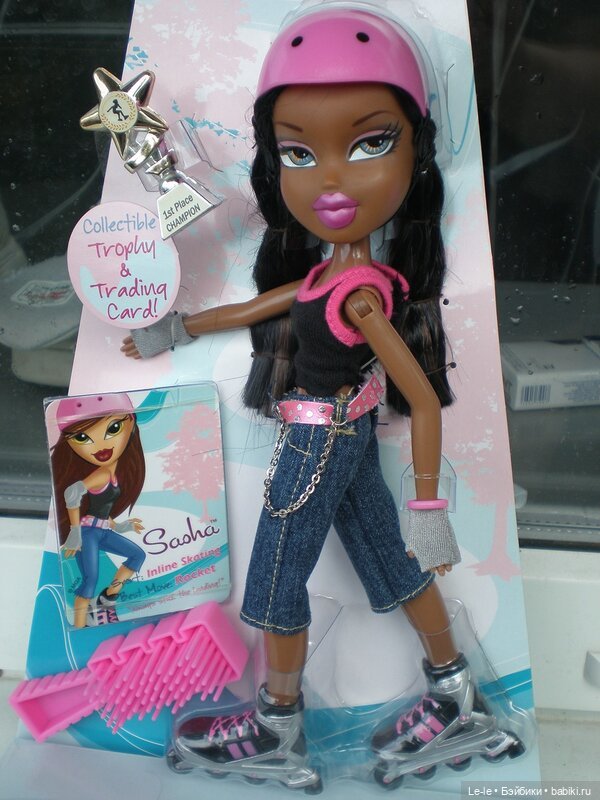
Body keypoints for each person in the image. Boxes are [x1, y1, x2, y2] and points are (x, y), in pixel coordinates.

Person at [123, 5, 522, 790]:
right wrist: (177, 327)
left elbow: (422, 399)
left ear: (416, 154)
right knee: (390, 566)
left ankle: (277, 726)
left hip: (317, 444)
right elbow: (256, 308)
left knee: (276, 582)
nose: (331, 180)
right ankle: (455, 692)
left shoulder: (364, 295)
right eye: (299, 153)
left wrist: (429, 507)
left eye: (371, 144)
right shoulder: (327, 277)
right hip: (343, 439)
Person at [52, 394, 146, 628]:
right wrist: (75, 533)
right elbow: (72, 492)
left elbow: (102, 510)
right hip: (88, 534)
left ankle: (108, 598)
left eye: (113, 428)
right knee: (89, 581)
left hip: (102, 531)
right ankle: (79, 626)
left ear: (131, 424)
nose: (100, 445)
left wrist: (122, 526)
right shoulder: (102, 474)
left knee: (137, 555)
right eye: (82, 437)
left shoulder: (113, 474)